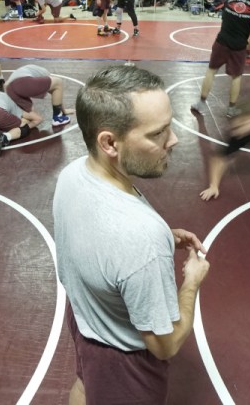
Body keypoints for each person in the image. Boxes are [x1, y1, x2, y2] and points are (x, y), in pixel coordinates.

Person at [53, 66, 210, 405]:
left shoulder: (72, 174)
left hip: (84, 319)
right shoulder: (141, 236)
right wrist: (191, 282)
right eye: (158, 133)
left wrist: (163, 238)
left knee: (84, 386)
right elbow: (164, 345)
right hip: (124, 362)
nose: (174, 140)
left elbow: (95, 238)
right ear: (109, 142)